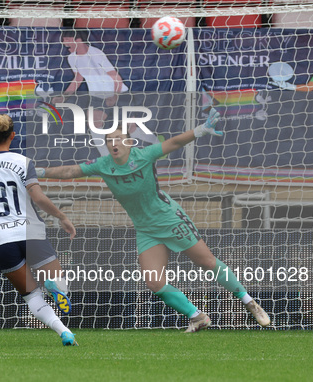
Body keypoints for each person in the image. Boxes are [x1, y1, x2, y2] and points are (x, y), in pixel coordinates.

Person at [36, 109, 271, 332]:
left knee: (208, 263)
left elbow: (175, 143)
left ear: (128, 142)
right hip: (146, 229)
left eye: (118, 138)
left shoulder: (145, 155)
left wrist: (199, 130)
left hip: (169, 219)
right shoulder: (103, 165)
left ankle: (249, 302)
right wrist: (41, 172)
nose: (114, 143)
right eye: (109, 140)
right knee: (154, 283)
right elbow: (70, 172)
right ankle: (197, 316)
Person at [0, 114, 79, 346]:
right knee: (60, 282)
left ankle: (64, 332)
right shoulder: (23, 162)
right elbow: (37, 197)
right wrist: (62, 216)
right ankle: (55, 287)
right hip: (31, 233)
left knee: (31, 295)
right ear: (13, 135)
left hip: (1, 241)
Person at [52, 30, 160, 155]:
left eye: (67, 39)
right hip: (97, 97)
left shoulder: (96, 54)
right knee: (95, 128)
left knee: (132, 130)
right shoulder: (72, 58)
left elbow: (116, 78)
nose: (64, 42)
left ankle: (158, 144)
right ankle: (107, 160)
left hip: (119, 93)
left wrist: (114, 96)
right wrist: (63, 97)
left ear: (78, 40)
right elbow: (78, 78)